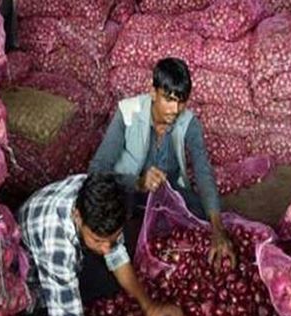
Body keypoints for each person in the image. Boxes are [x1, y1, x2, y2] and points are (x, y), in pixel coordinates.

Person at [17, 173, 184, 316]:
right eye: (98, 239)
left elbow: (115, 253)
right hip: (29, 288)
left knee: (114, 282)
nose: (107, 248)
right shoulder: (57, 242)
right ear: (77, 216)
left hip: (66, 260)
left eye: (112, 238)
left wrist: (149, 306)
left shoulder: (100, 195)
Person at [89, 57, 236, 269]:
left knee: (205, 215)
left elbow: (204, 172)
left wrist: (217, 230)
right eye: (168, 99)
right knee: (117, 240)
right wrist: (138, 183)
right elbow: (97, 170)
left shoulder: (189, 122)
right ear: (153, 91)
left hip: (168, 194)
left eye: (181, 101)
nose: (175, 109)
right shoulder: (128, 113)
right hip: (126, 192)